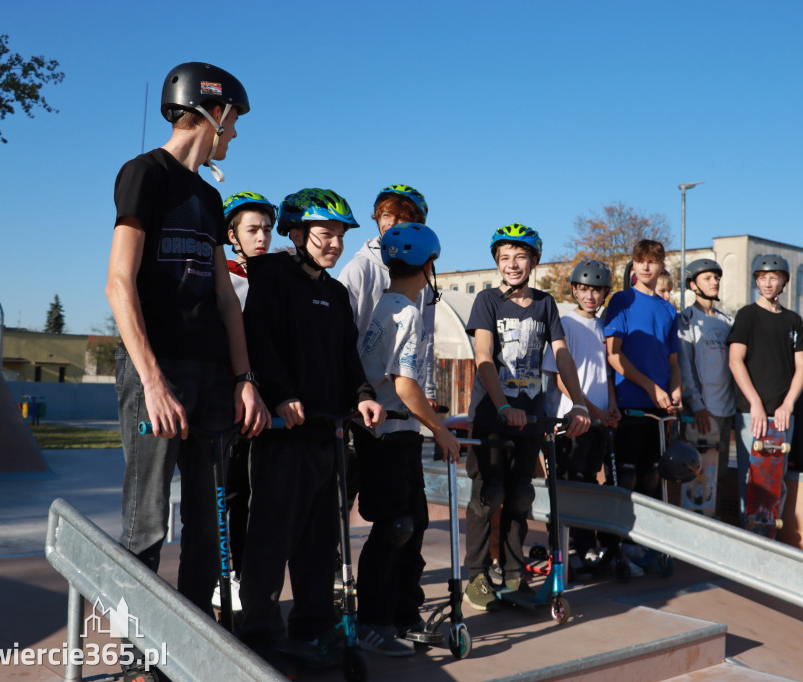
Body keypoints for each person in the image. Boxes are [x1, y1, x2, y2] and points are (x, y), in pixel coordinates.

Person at [105, 61, 269, 681]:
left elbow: (226, 298)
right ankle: (135, 661)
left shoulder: (209, 196)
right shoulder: (144, 174)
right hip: (158, 370)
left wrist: (244, 377)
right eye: (234, 122)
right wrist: (150, 380)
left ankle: (191, 649)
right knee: (147, 521)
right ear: (213, 110)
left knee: (207, 522)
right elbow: (119, 282)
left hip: (211, 378)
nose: (235, 135)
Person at [237, 188, 384, 672]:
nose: (335, 244)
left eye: (341, 236)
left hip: (327, 430)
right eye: (326, 234)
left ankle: (313, 628)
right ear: (297, 234)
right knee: (271, 536)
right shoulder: (273, 278)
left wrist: (362, 395)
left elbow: (347, 358)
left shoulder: (336, 292)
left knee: (322, 541)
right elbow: (259, 341)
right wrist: (280, 393)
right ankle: (257, 633)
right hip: (283, 431)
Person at [463, 223, 591, 612]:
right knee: (489, 495)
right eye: (504, 258)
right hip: (493, 415)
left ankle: (515, 573)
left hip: (532, 415)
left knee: (520, 495)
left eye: (520, 256)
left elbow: (562, 355)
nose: (512, 264)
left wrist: (580, 403)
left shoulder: (545, 304)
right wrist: (502, 406)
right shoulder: (486, 301)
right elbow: (484, 357)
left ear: (534, 260)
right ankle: (477, 575)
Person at [354, 223, 461, 656]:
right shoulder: (409, 312)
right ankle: (373, 623)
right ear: (429, 265)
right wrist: (442, 431)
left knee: (409, 524)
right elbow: (405, 386)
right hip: (390, 434)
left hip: (384, 432)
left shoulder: (380, 305)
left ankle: (403, 613)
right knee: (395, 528)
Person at [209, 192, 277, 614]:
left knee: (255, 493)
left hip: (264, 402)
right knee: (229, 490)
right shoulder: (226, 278)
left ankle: (247, 573)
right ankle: (224, 575)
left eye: (267, 229)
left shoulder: (273, 278)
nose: (262, 237)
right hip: (226, 397)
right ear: (231, 235)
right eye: (252, 230)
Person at [542, 259, 623, 579]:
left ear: (605, 293)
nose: (590, 296)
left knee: (590, 483)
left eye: (597, 290)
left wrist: (610, 409)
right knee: (569, 485)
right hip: (571, 419)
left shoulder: (605, 327)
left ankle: (588, 546)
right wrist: (589, 408)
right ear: (574, 289)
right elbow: (560, 378)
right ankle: (569, 550)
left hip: (600, 420)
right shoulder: (564, 324)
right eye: (584, 289)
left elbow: (608, 375)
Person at [727, 254, 803, 525]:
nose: (768, 283)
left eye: (774, 277)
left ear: (784, 281)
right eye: (762, 278)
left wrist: (787, 404)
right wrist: (755, 403)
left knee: (776, 480)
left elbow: (802, 367)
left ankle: (769, 539)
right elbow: (735, 360)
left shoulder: (793, 321)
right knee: (750, 479)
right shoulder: (747, 315)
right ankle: (747, 536)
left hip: (783, 414)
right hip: (752, 413)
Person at [338, 184, 437, 407]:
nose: (391, 223)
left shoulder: (422, 272)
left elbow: (426, 337)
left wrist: (428, 390)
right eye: (385, 215)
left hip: (405, 398)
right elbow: (339, 333)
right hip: (362, 394)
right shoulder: (359, 268)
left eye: (401, 218)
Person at [604, 239, 681, 502]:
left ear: (662, 265)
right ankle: (616, 542)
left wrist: (676, 389)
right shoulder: (621, 301)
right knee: (626, 478)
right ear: (633, 264)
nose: (646, 267)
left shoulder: (669, 309)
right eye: (640, 261)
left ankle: (643, 543)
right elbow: (613, 355)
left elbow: (673, 361)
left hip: (659, 410)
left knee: (652, 479)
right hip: (628, 406)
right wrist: (651, 386)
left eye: (652, 261)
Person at [678, 258, 735, 510]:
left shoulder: (727, 321)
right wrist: (697, 405)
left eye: (717, 278)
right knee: (695, 479)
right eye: (708, 278)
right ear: (693, 284)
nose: (715, 282)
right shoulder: (686, 320)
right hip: (701, 412)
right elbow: (685, 365)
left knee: (718, 476)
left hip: (725, 411)